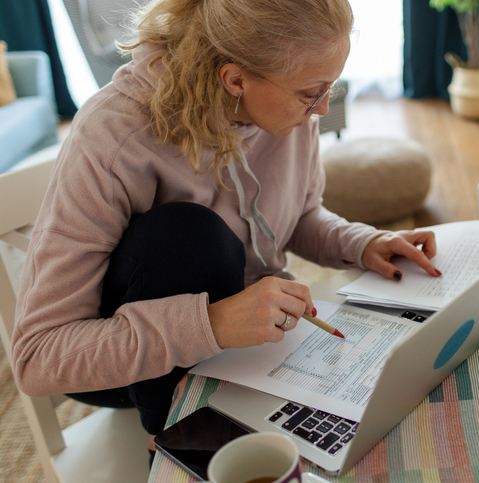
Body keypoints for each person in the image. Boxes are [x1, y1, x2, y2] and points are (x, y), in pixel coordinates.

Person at [11, 0, 441, 441]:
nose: (321, 108)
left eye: (328, 87)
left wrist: (363, 244)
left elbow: (297, 216)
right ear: (234, 79)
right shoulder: (114, 137)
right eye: (311, 93)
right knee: (186, 235)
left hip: (242, 342)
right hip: (123, 367)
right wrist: (210, 324)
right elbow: (38, 358)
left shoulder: (289, 109)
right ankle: (181, 450)